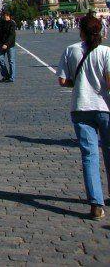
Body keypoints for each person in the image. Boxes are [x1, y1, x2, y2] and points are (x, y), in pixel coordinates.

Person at [56, 14, 110, 220]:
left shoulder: (71, 50)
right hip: (105, 108)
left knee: (89, 156)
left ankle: (96, 204)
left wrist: (78, 84)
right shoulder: (106, 52)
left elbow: (62, 81)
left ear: (81, 31)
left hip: (80, 108)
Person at [0, 9, 17, 83]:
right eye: (4, 16)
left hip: (10, 45)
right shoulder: (1, 23)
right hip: (0, 44)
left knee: (11, 61)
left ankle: (12, 77)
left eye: (7, 16)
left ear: (9, 16)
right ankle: (6, 75)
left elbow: (12, 35)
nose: (5, 17)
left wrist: (6, 44)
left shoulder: (12, 23)